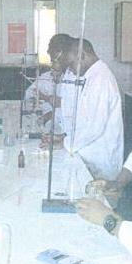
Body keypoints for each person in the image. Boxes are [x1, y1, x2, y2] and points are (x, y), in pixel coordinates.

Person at [45, 38, 123, 180]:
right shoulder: (91, 76)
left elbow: (94, 127)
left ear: (81, 56)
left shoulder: (101, 79)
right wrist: (63, 138)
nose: (70, 70)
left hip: (101, 160)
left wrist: (65, 143)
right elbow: (83, 118)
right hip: (89, 154)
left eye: (71, 65)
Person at [23, 34, 74, 128]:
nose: (53, 67)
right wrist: (33, 100)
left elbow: (65, 104)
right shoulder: (46, 76)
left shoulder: (72, 77)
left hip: (62, 123)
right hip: (46, 120)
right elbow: (30, 92)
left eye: (55, 60)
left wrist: (45, 97)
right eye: (52, 62)